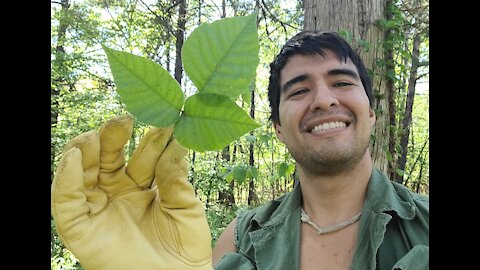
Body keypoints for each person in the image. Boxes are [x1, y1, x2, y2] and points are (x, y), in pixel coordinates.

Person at [51, 31, 429, 270]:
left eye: (342, 82)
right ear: (278, 128)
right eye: (298, 90)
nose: (324, 100)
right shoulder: (240, 239)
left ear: (373, 112)